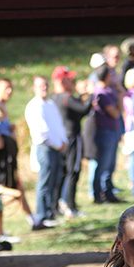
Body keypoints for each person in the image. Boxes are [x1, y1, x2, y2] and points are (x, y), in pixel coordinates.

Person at [24, 76, 68, 228]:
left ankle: (50, 212)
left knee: (54, 180)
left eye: (45, 85)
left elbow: (58, 125)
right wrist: (57, 144)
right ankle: (42, 214)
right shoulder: (34, 106)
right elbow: (42, 131)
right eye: (40, 86)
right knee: (45, 181)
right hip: (45, 148)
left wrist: (63, 142)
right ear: (34, 88)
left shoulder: (50, 104)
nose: (44, 88)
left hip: (56, 147)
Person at [0, 78, 35, 230]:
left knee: (18, 186)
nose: (10, 91)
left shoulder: (1, 107)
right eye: (6, 88)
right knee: (5, 192)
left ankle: (32, 220)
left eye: (11, 88)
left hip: (10, 156)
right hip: (0, 158)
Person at [51, 66, 92, 218]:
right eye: (70, 79)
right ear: (62, 81)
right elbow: (84, 110)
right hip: (71, 138)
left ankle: (58, 205)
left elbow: (76, 114)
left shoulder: (54, 97)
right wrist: (92, 94)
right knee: (73, 171)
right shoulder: (66, 97)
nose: (73, 81)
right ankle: (69, 205)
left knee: (63, 173)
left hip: (62, 139)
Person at [91, 64, 122, 204]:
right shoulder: (101, 94)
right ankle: (98, 194)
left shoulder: (109, 91)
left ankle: (108, 192)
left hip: (112, 131)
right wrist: (120, 99)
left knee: (110, 164)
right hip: (105, 132)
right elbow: (115, 113)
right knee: (103, 164)